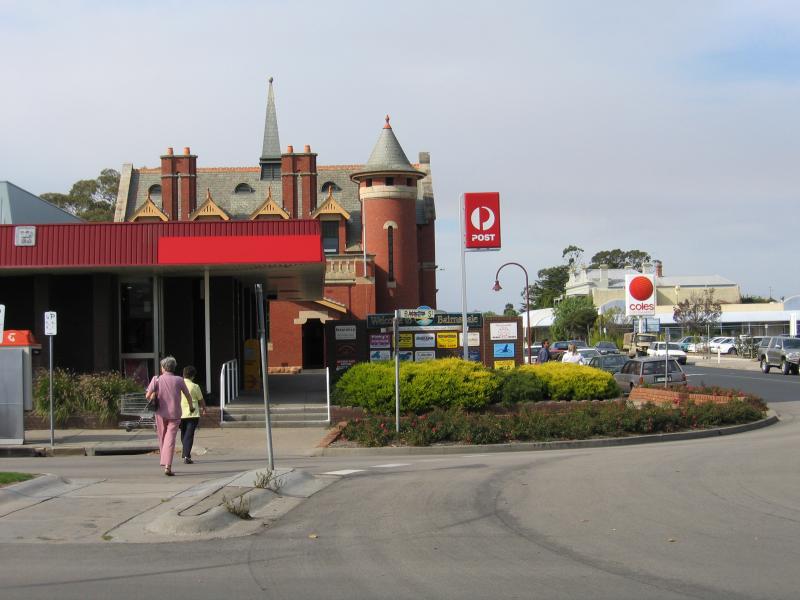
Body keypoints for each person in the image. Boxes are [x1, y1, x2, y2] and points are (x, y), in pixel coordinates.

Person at [146, 356, 192, 476]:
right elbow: (188, 395)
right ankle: (168, 466)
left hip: (160, 413)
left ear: (163, 368)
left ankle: (164, 460)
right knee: (170, 439)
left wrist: (155, 394)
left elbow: (147, 396)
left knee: (162, 437)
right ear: (173, 368)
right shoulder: (179, 380)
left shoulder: (156, 379)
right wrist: (191, 407)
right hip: (175, 413)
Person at [179, 365, 207, 465]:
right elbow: (201, 399)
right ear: (193, 376)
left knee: (183, 434)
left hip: (180, 413)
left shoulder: (179, 385)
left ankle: (186, 454)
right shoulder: (195, 386)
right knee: (189, 435)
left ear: (183, 374)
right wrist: (204, 408)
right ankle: (187, 455)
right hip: (193, 414)